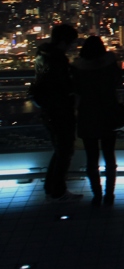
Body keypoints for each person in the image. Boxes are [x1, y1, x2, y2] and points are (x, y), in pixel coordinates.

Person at [71, 36, 124, 205]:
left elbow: (75, 89)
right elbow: (118, 81)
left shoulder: (77, 67)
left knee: (91, 158)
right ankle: (109, 194)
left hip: (87, 115)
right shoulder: (109, 64)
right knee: (109, 156)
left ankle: (96, 194)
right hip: (108, 113)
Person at [33, 23, 82, 202]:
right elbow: (64, 85)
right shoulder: (58, 60)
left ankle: (51, 187)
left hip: (48, 110)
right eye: (71, 42)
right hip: (60, 109)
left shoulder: (42, 55)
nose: (73, 46)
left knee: (59, 149)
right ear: (64, 42)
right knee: (65, 150)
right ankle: (58, 191)